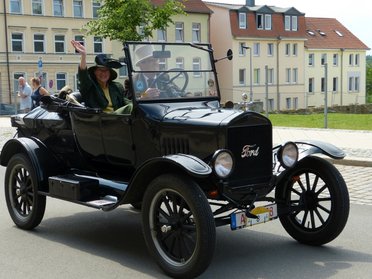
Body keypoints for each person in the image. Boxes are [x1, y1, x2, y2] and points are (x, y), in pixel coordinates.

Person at [70, 40, 132, 114]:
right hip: (100, 120)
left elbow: (125, 101)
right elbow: (83, 75)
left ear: (110, 73)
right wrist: (83, 55)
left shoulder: (117, 87)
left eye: (106, 70)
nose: (103, 73)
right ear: (95, 72)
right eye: (100, 70)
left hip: (118, 121)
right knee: (131, 107)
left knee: (135, 106)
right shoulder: (89, 86)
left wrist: (139, 101)